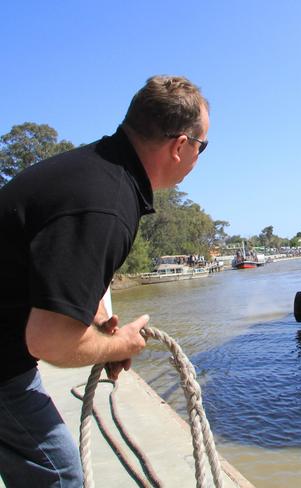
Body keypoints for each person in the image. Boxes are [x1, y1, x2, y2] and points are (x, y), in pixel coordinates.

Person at [0, 75, 210, 487]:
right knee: (61, 476)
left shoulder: (96, 172)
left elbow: (53, 271)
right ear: (180, 145)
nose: (200, 157)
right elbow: (49, 341)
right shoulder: (106, 206)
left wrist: (95, 319)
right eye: (204, 147)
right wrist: (120, 344)